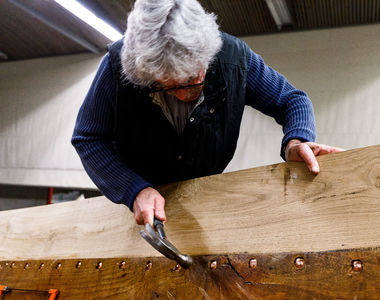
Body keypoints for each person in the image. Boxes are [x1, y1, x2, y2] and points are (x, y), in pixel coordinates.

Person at [71, 0, 343, 228]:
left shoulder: (234, 61)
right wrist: (134, 190)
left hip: (204, 202)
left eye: (189, 80)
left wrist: (296, 142)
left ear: (208, 56)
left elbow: (292, 101)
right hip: (138, 207)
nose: (179, 95)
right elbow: (88, 138)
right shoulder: (117, 67)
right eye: (164, 86)